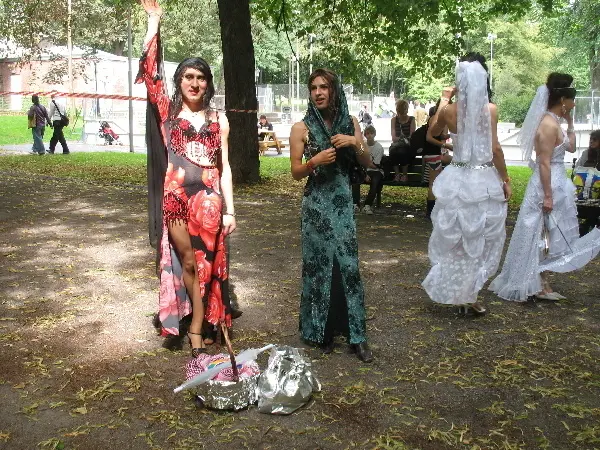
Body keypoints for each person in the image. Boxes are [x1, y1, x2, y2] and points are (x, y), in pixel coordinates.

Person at [138, 0, 236, 357]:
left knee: (209, 266)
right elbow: (150, 72)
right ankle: (195, 327)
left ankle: (205, 320)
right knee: (190, 262)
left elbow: (225, 169)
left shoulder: (218, 120)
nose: (194, 83)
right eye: (188, 77)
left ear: (208, 83)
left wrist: (230, 210)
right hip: (177, 199)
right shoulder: (168, 113)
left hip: (210, 202)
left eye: (200, 77)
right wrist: (153, 21)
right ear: (179, 82)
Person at [489, 74, 600, 302]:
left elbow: (570, 148)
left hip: (557, 183)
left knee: (550, 233)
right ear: (562, 100)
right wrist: (548, 195)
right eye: (572, 100)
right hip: (546, 185)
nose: (574, 104)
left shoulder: (555, 122)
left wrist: (569, 123)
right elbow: (544, 162)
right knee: (542, 232)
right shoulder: (548, 125)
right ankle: (537, 282)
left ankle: (542, 280)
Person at [289, 68, 374, 363]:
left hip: (341, 203)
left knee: (348, 266)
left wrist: (354, 142)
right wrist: (314, 160)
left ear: (334, 90)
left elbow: (367, 160)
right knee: (319, 266)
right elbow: (295, 172)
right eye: (313, 88)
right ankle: (321, 332)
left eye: (324, 87)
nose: (318, 92)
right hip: (315, 205)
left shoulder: (349, 122)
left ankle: (357, 336)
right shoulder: (302, 128)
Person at [422, 53, 511, 315]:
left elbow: (433, 132)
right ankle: (469, 295)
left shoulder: (449, 110)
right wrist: (505, 179)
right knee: (479, 236)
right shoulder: (490, 110)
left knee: (458, 239)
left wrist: (445, 99)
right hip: (482, 179)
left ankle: (460, 294)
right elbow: (495, 149)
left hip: (457, 178)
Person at [423, 101, 453, 218]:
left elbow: (439, 135)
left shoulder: (436, 119)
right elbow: (430, 138)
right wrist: (445, 145)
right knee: (432, 184)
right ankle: (430, 212)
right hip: (433, 155)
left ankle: (433, 209)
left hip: (432, 155)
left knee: (434, 183)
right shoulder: (436, 119)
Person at [352, 125, 384, 214]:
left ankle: (367, 205)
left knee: (375, 182)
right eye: (367, 134)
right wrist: (365, 173)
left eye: (371, 133)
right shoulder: (363, 146)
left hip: (376, 171)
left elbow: (376, 166)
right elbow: (359, 161)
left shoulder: (379, 147)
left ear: (374, 134)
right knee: (355, 180)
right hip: (364, 169)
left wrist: (366, 162)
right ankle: (355, 204)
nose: (369, 135)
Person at [390, 99, 416, 182]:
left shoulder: (411, 119)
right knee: (392, 150)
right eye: (402, 110)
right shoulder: (394, 120)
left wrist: (401, 138)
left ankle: (405, 175)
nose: (404, 112)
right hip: (397, 146)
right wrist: (403, 137)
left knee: (402, 151)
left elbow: (412, 137)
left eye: (405, 109)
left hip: (407, 147)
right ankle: (397, 174)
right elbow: (394, 138)